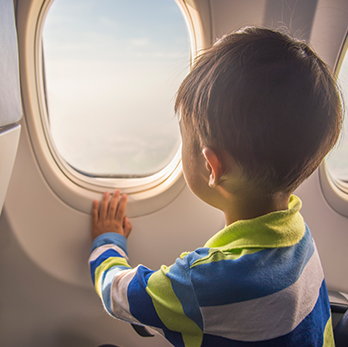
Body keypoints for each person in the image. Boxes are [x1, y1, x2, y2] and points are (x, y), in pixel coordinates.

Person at [89, 27, 342, 346]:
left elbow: (116, 294)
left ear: (212, 166)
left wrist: (106, 239)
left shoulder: (201, 282)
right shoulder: (300, 237)